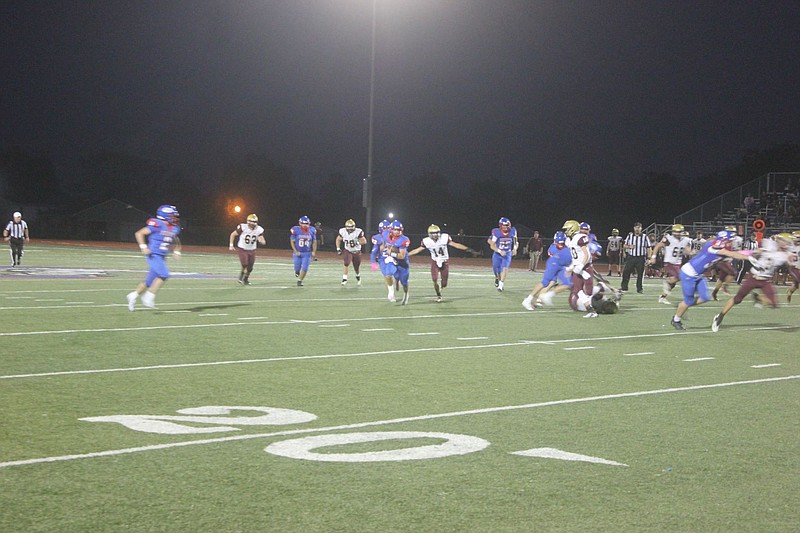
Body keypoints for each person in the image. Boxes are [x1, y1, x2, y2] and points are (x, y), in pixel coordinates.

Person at [712, 233, 795, 331]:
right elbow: (756, 252)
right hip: (753, 276)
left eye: (787, 242)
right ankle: (719, 317)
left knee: (774, 304)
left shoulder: (785, 255)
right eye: (784, 241)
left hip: (766, 280)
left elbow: (791, 262)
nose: (786, 244)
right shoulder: (769, 245)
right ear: (779, 240)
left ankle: (757, 297)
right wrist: (756, 253)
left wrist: (791, 260)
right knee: (737, 299)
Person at [670, 230, 749, 330]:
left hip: (698, 274)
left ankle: (682, 305)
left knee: (705, 297)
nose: (731, 243)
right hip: (688, 274)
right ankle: (676, 319)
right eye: (729, 241)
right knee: (688, 300)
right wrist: (750, 257)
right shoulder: (715, 248)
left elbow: (729, 251)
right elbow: (733, 254)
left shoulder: (714, 244)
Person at [126, 205, 182, 311]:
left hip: (162, 256)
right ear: (165, 216)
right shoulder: (157, 224)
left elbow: (175, 240)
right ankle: (149, 296)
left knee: (148, 282)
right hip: (153, 255)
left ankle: (133, 295)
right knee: (164, 274)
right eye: (172, 215)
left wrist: (176, 250)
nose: (175, 218)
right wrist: (143, 247)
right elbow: (139, 233)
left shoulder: (174, 228)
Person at [408, 224, 474, 302]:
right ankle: (438, 295)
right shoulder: (426, 241)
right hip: (435, 261)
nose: (435, 235)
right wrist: (407, 255)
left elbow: (456, 245)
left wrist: (468, 249)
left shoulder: (444, 237)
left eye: (436, 232)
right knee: (434, 279)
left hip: (444, 261)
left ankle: (441, 288)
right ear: (429, 234)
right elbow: (417, 250)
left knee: (444, 283)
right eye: (432, 233)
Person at [522, 231, 572, 310]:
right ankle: (528, 300)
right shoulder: (553, 248)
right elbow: (560, 256)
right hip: (554, 265)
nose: (560, 245)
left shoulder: (567, 246)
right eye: (558, 243)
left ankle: (545, 296)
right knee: (545, 282)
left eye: (562, 243)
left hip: (563, 266)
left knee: (567, 284)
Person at [648, 223, 693, 304]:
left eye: (679, 232)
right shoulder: (669, 239)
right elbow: (658, 246)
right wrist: (653, 257)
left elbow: (688, 251)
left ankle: (662, 297)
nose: (677, 233)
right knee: (681, 276)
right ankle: (668, 282)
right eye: (676, 231)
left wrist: (693, 253)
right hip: (669, 262)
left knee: (674, 283)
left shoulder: (685, 240)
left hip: (678, 263)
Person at [564, 220, 598, 317]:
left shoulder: (580, 237)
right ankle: (590, 310)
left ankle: (602, 290)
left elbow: (586, 255)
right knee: (577, 290)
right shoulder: (570, 240)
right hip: (577, 268)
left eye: (567, 229)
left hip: (586, 267)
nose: (566, 231)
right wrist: (571, 267)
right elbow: (575, 256)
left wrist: (581, 265)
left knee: (589, 291)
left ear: (572, 228)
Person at [229, 213, 266, 285]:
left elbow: (261, 238)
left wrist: (262, 241)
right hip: (242, 248)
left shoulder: (259, 229)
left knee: (250, 268)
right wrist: (231, 245)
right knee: (244, 264)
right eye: (252, 221)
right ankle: (242, 274)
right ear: (248, 221)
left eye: (255, 222)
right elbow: (233, 234)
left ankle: (245, 279)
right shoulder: (243, 227)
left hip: (252, 250)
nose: (254, 224)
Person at [710, 225, 743, 300]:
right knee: (733, 273)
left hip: (729, 259)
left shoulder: (738, 239)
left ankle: (714, 293)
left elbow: (738, 249)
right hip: (721, 260)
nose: (731, 233)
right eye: (730, 232)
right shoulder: (723, 240)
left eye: (733, 232)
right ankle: (725, 287)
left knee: (721, 278)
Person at [381, 220, 411, 304]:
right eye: (395, 230)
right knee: (388, 274)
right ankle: (391, 292)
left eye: (399, 230)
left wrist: (391, 253)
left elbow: (402, 256)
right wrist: (384, 247)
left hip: (402, 263)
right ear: (391, 229)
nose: (397, 232)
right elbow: (384, 240)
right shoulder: (386, 233)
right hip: (392, 260)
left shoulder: (404, 240)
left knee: (404, 282)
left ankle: (406, 293)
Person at [487, 217, 518, 292]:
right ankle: (497, 278)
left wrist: (515, 248)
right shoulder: (496, 232)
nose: (505, 227)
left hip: (507, 253)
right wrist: (499, 251)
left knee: (505, 268)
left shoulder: (513, 231)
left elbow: (516, 241)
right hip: (498, 253)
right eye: (504, 225)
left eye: (507, 225)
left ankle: (501, 284)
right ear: (500, 226)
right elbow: (492, 245)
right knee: (496, 270)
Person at [621, 222, 652, 293]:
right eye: (636, 227)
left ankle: (639, 288)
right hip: (631, 257)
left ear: (641, 228)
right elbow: (624, 245)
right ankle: (624, 287)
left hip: (640, 258)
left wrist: (649, 258)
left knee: (640, 274)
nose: (637, 229)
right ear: (634, 228)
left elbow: (649, 248)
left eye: (639, 227)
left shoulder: (645, 237)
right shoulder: (630, 236)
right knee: (626, 272)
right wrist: (629, 246)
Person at [336, 219, 367, 286]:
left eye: (351, 227)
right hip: (348, 250)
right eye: (348, 227)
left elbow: (364, 241)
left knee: (356, 267)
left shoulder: (358, 231)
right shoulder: (342, 231)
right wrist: (338, 248)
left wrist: (357, 242)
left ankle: (358, 275)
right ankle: (344, 278)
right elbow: (338, 239)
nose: (350, 229)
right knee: (346, 263)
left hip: (356, 251)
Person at [290, 215, 317, 286]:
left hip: (307, 253)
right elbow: (292, 241)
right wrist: (296, 251)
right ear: (300, 223)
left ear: (309, 224)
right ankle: (297, 272)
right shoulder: (295, 230)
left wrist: (313, 251)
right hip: (298, 253)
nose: (305, 225)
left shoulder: (312, 230)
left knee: (305, 267)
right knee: (297, 268)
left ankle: (300, 280)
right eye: (303, 223)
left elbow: (314, 241)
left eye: (306, 224)